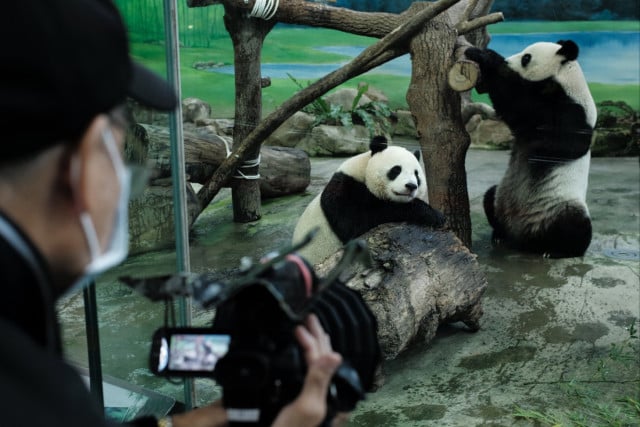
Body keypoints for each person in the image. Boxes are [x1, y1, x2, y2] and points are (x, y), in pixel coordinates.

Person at [0, 1, 342, 426]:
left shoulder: (19, 318)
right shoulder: (35, 389)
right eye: (121, 157)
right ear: (81, 164)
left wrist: (216, 419)